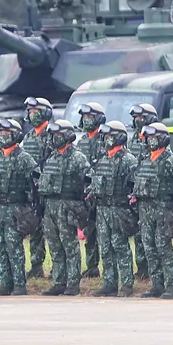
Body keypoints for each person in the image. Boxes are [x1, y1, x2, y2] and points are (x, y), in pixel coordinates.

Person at [0, 119, 37, 296]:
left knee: (14, 248)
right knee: (0, 248)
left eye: (7, 133)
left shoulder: (24, 158)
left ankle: (19, 284)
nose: (3, 136)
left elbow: (35, 183)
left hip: (15, 210)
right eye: (1, 133)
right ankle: (5, 284)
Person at [132, 122, 173, 298]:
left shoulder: (170, 160)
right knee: (149, 248)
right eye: (148, 138)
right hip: (145, 210)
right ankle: (156, 285)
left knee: (164, 249)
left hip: (163, 211)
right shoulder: (145, 159)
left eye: (153, 137)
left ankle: (171, 286)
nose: (150, 141)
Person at [39, 120, 90, 296]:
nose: (54, 138)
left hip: (68, 206)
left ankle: (73, 283)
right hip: (50, 206)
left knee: (70, 247)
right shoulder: (51, 157)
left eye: (58, 135)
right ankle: (59, 282)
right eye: (53, 135)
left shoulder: (78, 157)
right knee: (54, 246)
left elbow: (87, 182)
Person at [90, 121, 137, 298]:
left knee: (120, 247)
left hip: (119, 210)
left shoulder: (128, 160)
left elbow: (134, 185)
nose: (107, 139)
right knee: (105, 247)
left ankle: (126, 285)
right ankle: (109, 283)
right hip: (102, 210)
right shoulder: (101, 160)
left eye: (111, 136)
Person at [20, 97, 53, 279]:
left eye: (36, 111)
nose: (32, 115)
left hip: (47, 189)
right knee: (35, 229)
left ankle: (58, 268)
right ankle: (36, 264)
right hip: (31, 189)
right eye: (30, 112)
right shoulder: (29, 137)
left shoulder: (52, 135)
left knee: (53, 230)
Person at [127, 103, 160, 280]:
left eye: (140, 117)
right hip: (137, 189)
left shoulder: (156, 137)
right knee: (140, 233)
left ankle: (155, 270)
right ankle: (142, 269)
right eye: (135, 118)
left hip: (152, 192)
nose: (137, 121)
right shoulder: (133, 139)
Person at [75, 102, 107, 279]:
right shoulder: (82, 141)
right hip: (85, 192)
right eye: (85, 117)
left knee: (103, 233)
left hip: (100, 191)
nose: (87, 120)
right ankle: (92, 266)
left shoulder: (105, 139)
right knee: (88, 230)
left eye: (90, 116)